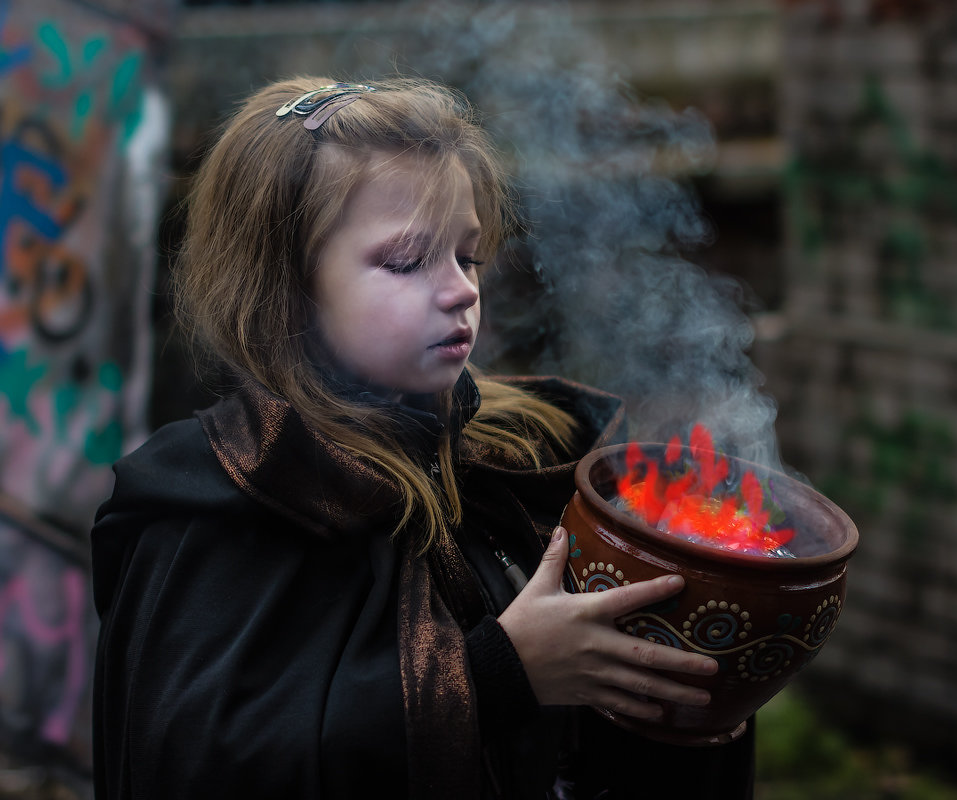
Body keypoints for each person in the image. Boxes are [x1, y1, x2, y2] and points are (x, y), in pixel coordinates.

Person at [91, 76, 756, 799]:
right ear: (284, 285)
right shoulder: (227, 495)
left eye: (466, 256)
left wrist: (681, 693)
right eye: (407, 261)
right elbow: (204, 771)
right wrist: (502, 673)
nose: (461, 289)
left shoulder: (516, 455)